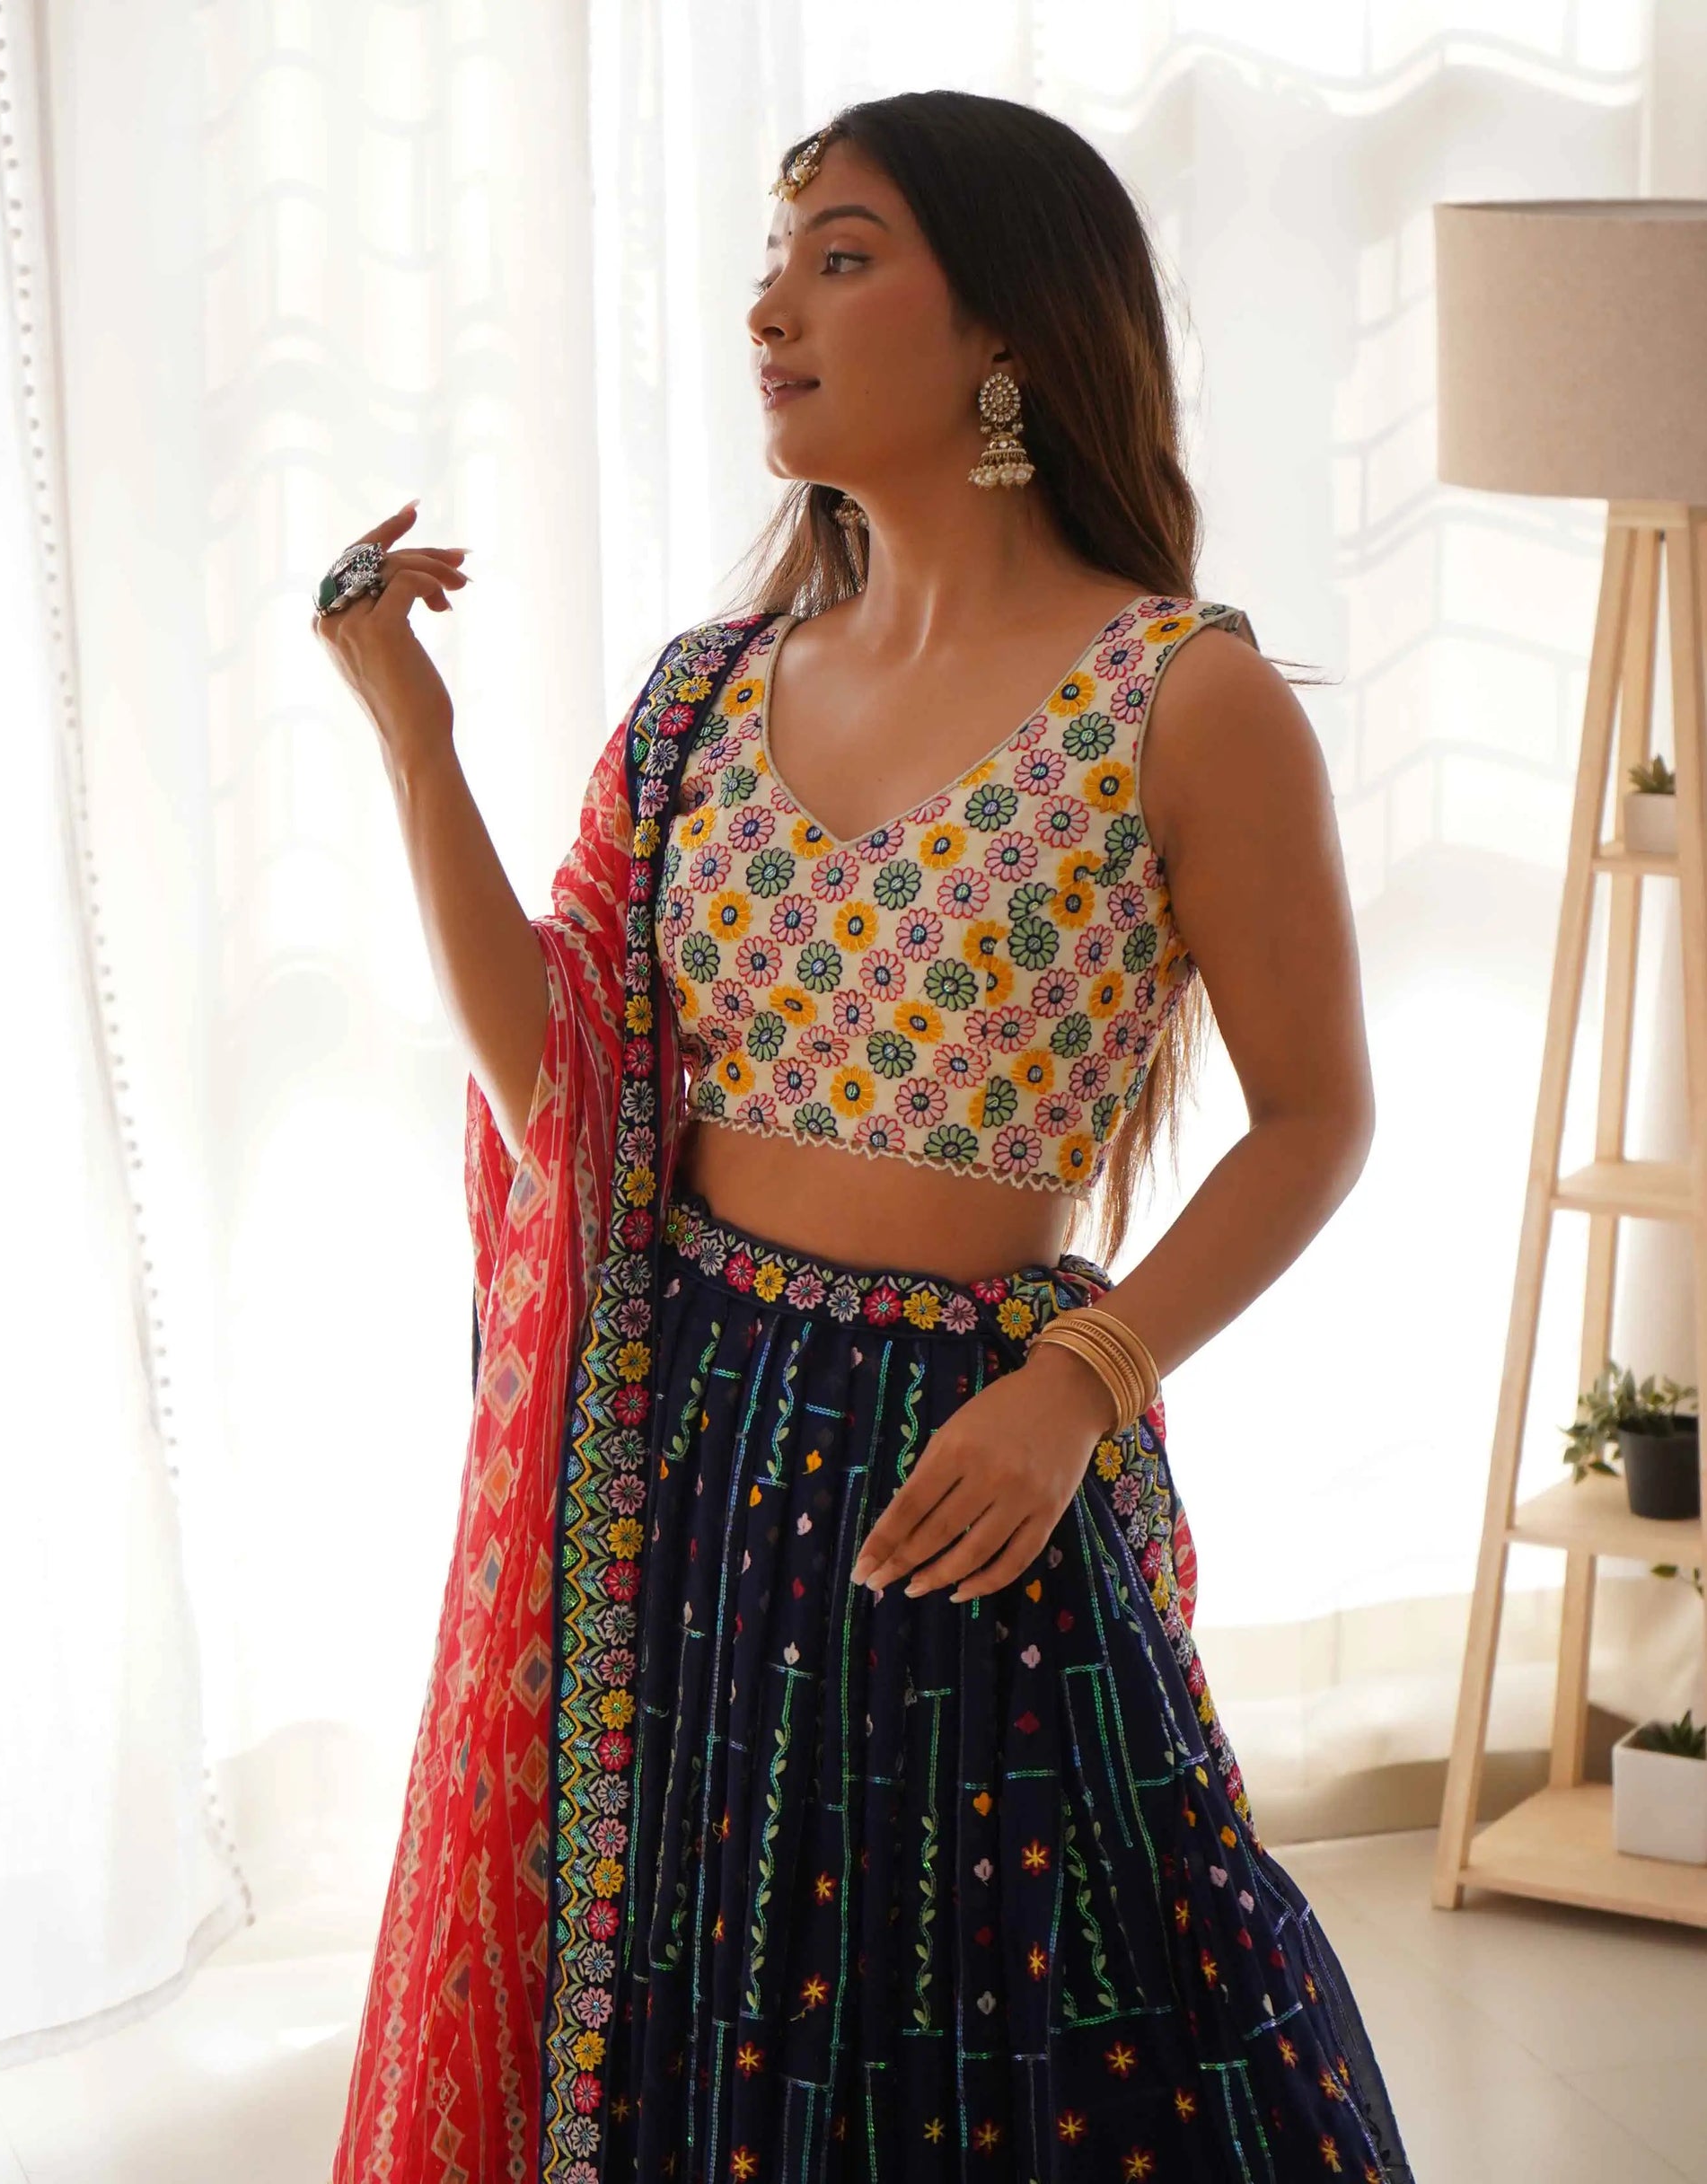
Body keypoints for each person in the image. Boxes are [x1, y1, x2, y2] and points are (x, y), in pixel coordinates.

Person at [316, 89, 1413, 2184]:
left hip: (967, 1455)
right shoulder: (703, 698)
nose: (770, 310)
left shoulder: (1179, 697)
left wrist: (1081, 1383)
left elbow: (1314, 1117)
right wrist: (412, 734)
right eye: (772, 262)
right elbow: (560, 1097)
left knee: (1048, 2020)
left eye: (840, 258)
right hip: (689, 1449)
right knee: (707, 2023)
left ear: (1007, 327)